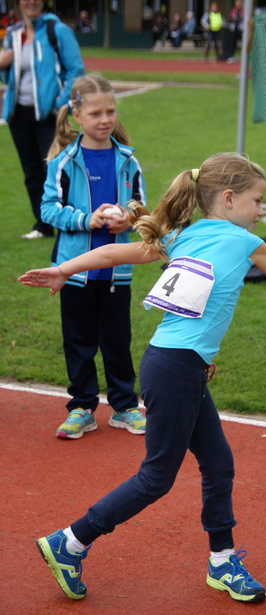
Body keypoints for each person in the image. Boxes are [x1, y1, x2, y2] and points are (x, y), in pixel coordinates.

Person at [18, 152, 266, 603]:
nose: (260, 211)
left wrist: (62, 269)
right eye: (257, 201)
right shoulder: (242, 240)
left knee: (218, 463)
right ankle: (70, 542)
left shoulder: (183, 234)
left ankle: (222, 559)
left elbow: (115, 251)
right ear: (228, 200)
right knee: (156, 477)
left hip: (176, 365)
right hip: (175, 369)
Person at [40, 73, 146, 439]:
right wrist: (89, 219)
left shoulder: (128, 160)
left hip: (116, 272)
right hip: (74, 271)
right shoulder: (63, 162)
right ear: (76, 116)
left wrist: (129, 217)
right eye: (96, 113)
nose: (105, 120)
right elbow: (48, 210)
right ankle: (82, 406)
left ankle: (124, 406)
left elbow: (141, 207)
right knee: (79, 341)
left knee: (117, 339)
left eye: (111, 111)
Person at [0, 0, 85, 240]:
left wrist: (58, 107)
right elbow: (9, 76)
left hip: (48, 116)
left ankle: (70, 223)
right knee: (32, 172)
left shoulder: (56, 31)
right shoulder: (14, 34)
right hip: (19, 114)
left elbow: (76, 71)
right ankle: (43, 224)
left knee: (58, 170)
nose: (32, 2)